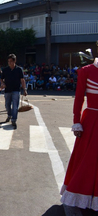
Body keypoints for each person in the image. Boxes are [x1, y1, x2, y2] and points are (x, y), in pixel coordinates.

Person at [60, 57, 98, 214]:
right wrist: (77, 122)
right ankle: (80, 196)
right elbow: (79, 98)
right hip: (91, 122)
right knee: (87, 162)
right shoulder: (86, 71)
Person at [0, 54, 27, 129]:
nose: (9, 63)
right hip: (7, 90)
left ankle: (14, 119)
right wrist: (2, 83)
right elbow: (1, 79)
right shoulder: (5, 70)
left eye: (11, 61)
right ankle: (9, 115)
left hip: (16, 90)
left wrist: (24, 89)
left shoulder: (19, 69)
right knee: (7, 105)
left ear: (15, 61)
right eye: (8, 61)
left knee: (15, 106)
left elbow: (22, 80)